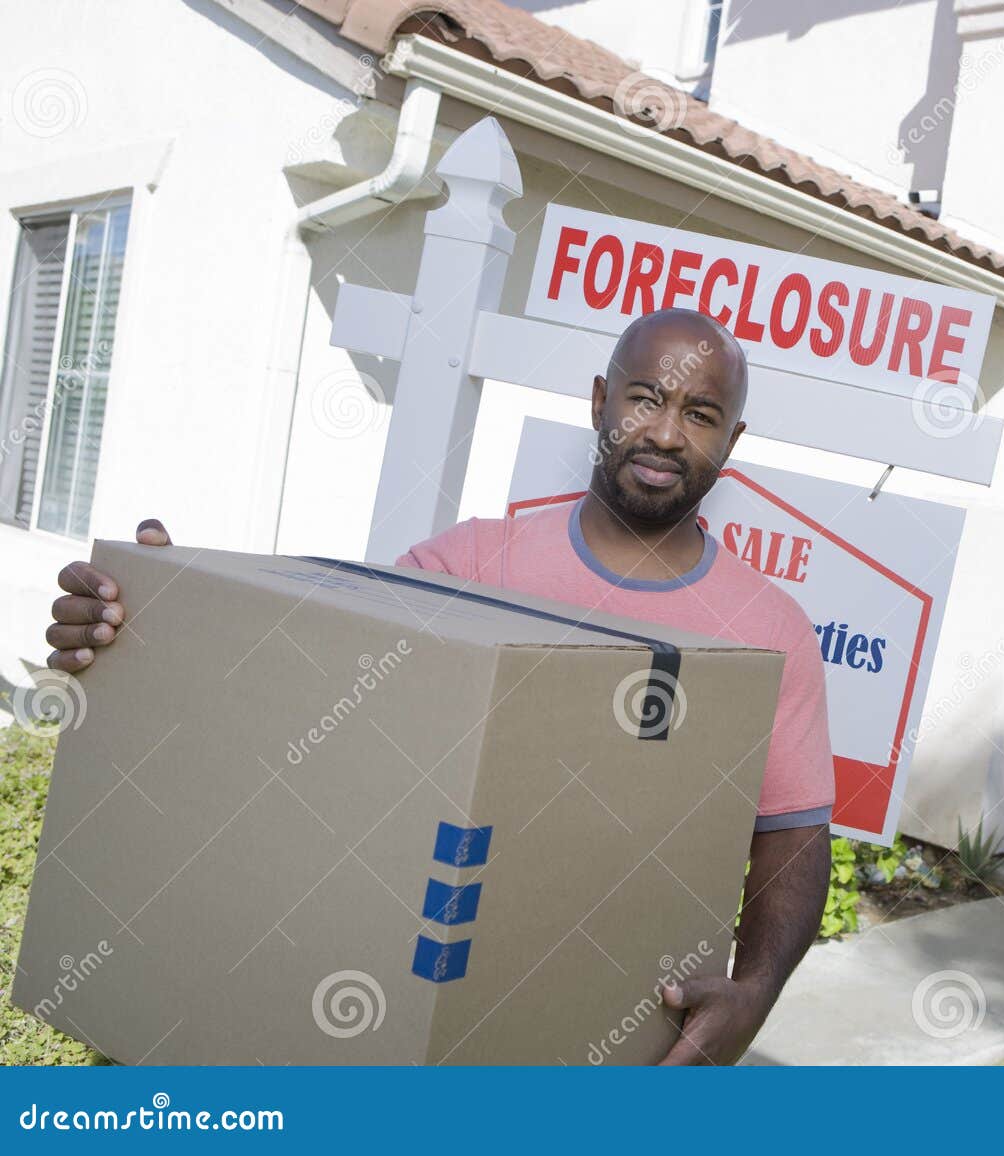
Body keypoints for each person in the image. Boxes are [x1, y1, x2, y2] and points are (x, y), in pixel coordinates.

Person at [42, 307, 832, 1066]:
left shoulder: (771, 630)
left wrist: (755, 991)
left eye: (700, 414)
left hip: (620, 1046)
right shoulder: (469, 567)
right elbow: (310, 691)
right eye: (645, 398)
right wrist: (160, 619)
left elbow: (792, 838)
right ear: (600, 402)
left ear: (732, 441)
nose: (664, 432)